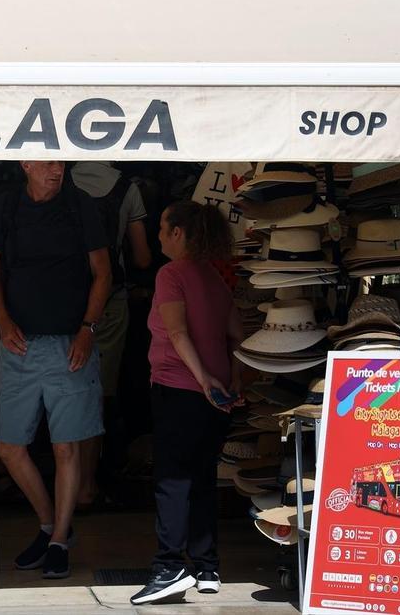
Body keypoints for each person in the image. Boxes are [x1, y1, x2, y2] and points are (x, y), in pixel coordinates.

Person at [0, 160, 112, 580]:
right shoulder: (8, 205)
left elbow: (103, 272)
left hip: (69, 342)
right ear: (26, 163)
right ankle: (53, 523)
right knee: (8, 446)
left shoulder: (80, 206)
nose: (57, 170)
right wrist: (1, 320)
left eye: (61, 162)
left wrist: (88, 328)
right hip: (18, 344)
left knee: (65, 446)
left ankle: (56, 541)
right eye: (48, 163)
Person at [130, 200, 241, 605]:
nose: (158, 236)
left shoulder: (170, 274)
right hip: (215, 397)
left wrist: (205, 379)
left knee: (172, 480)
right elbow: (235, 336)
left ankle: (169, 567)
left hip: (181, 388)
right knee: (203, 480)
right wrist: (230, 380)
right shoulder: (214, 275)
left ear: (178, 233)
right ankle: (206, 567)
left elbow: (176, 334)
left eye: (162, 228)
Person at [69, 162, 152, 511]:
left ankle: (65, 483)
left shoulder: (61, 179)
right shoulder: (126, 189)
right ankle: (88, 483)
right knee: (99, 392)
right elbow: (143, 257)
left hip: (66, 299)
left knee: (66, 389)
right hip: (110, 300)